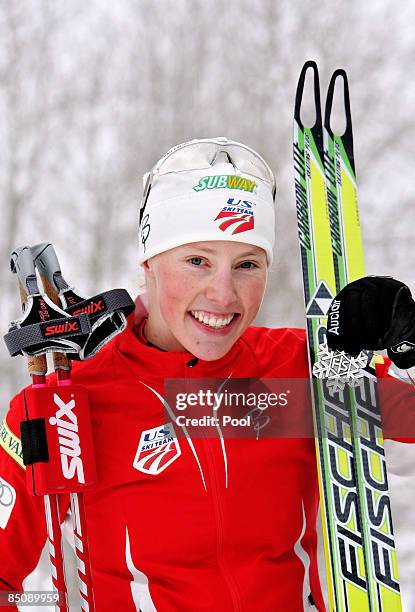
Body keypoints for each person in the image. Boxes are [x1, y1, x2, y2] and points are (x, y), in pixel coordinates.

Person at [1, 137, 414, 612]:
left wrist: (406, 350)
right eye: (197, 261)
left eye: (246, 265)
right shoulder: (66, 405)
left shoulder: (298, 370)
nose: (222, 294)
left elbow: (407, 445)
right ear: (149, 261)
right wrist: (40, 604)